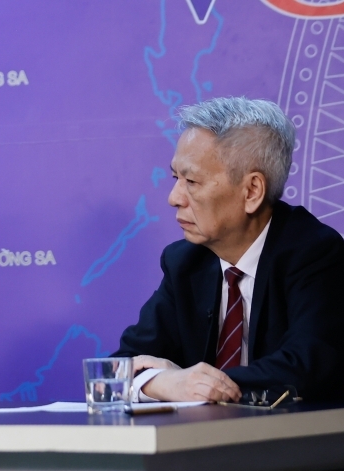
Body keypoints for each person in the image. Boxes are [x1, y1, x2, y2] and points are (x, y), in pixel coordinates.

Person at [116, 97, 344, 403]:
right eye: (175, 178)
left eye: (191, 181)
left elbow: (305, 368)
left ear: (251, 191)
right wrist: (163, 383)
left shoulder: (315, 254)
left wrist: (195, 384)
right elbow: (119, 367)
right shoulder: (185, 263)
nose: (174, 198)